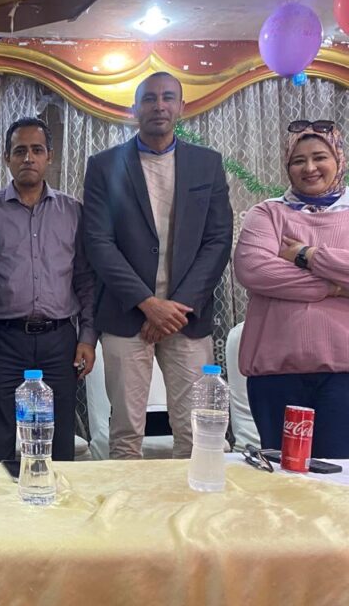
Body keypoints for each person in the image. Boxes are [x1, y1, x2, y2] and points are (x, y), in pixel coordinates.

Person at [83, 71, 233, 459]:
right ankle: (127, 501)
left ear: (181, 106)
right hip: (126, 313)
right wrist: (148, 304)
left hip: (187, 317)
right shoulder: (104, 165)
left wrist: (177, 307)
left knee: (195, 431)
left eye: (168, 97)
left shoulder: (207, 164)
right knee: (125, 433)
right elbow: (98, 242)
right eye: (149, 98)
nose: (159, 105)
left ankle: (189, 500)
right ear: (135, 108)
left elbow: (218, 240)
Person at [0, 117, 95, 462]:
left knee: (58, 440)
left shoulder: (73, 212)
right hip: (0, 342)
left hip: (59, 342)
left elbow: (85, 279)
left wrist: (87, 337)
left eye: (37, 150)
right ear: (6, 158)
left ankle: (57, 497)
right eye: (19, 150)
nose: (28, 158)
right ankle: (0, 499)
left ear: (49, 156)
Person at [234, 119, 349, 457]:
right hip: (276, 375)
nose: (309, 168)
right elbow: (254, 269)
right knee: (282, 476)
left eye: (320, 157)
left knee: (339, 476)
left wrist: (305, 254)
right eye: (299, 160)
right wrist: (334, 288)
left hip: (344, 375)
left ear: (338, 159)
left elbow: (274, 272)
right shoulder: (267, 214)